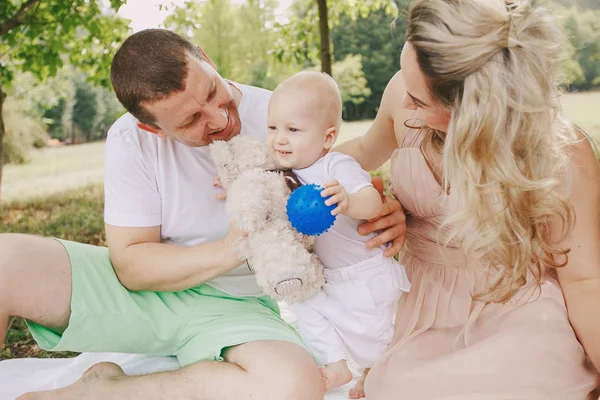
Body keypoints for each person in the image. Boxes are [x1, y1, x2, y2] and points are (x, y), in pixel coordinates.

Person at [0, 29, 408, 400]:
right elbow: (131, 265)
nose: (219, 117)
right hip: (148, 296)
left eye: (213, 92)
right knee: (4, 263)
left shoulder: (282, 117)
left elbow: (342, 183)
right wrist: (234, 246)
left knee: (292, 385)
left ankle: (102, 391)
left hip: (239, 306)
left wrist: (380, 213)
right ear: (152, 129)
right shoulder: (130, 141)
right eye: (192, 119)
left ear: (208, 60)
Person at [335, 0, 600, 398]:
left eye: (420, 101)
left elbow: (584, 281)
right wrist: (293, 169)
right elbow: (360, 152)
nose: (405, 105)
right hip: (420, 304)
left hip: (517, 305)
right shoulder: (403, 91)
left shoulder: (561, 151)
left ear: (474, 112)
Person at [265, 71, 411, 396]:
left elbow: (373, 201)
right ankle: (337, 365)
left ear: (327, 138)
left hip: (363, 273)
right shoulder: (283, 171)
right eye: (273, 127)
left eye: (293, 129)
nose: (279, 138)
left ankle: (377, 373)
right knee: (305, 305)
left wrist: (348, 201)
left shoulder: (336, 166)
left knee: (375, 339)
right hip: (327, 275)